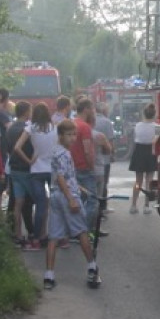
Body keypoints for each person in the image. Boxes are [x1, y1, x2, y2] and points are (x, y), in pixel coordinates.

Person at [43, 119, 101, 291]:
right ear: (60, 135)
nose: (73, 138)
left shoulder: (56, 151)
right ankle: (92, 266)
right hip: (65, 197)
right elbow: (61, 177)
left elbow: (66, 177)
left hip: (56, 195)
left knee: (54, 236)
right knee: (82, 231)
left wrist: (81, 189)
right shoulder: (64, 154)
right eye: (69, 135)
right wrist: (71, 198)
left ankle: (49, 276)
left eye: (74, 134)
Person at [14, 103, 57, 251]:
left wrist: (29, 160)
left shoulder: (30, 128)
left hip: (36, 169)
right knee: (56, 204)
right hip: (52, 169)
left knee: (40, 205)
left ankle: (37, 239)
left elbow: (17, 147)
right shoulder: (54, 128)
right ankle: (58, 235)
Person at [6, 101, 34, 248]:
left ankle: (17, 234)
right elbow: (30, 147)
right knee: (28, 202)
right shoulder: (27, 129)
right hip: (25, 168)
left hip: (13, 168)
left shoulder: (10, 128)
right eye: (30, 110)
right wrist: (30, 161)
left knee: (17, 202)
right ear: (26, 112)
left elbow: (8, 148)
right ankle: (31, 231)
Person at [69, 97, 100, 233]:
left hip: (71, 168)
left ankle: (74, 229)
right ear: (86, 109)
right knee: (93, 201)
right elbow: (87, 150)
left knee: (78, 200)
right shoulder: (84, 127)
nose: (94, 111)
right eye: (92, 108)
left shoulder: (70, 124)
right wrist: (91, 167)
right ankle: (84, 230)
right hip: (84, 168)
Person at [129, 103, 158, 215]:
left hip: (139, 152)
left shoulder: (138, 125)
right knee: (149, 181)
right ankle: (146, 206)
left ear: (143, 113)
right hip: (150, 152)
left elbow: (135, 139)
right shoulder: (156, 127)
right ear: (154, 114)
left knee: (138, 181)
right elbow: (156, 140)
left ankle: (133, 205)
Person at [92, 102, 116, 204]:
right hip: (104, 158)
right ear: (104, 110)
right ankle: (103, 206)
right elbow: (110, 141)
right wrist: (112, 154)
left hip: (92, 158)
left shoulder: (91, 121)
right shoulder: (107, 122)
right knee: (104, 183)